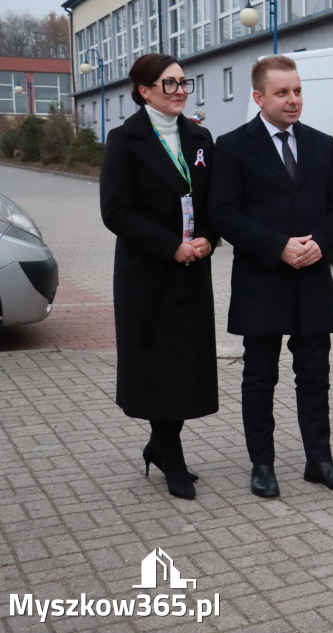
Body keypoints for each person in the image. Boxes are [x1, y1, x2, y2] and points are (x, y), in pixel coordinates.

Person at [209, 55, 333, 498]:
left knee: (315, 374)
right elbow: (223, 214)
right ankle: (262, 465)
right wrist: (278, 246)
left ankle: (320, 461)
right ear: (259, 97)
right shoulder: (232, 146)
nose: (293, 100)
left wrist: (320, 243)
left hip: (312, 279)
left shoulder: (320, 143)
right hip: (262, 281)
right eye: (282, 93)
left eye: (297, 91)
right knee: (260, 377)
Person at [99, 53, 218, 501]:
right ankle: (170, 453)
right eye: (169, 84)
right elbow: (116, 212)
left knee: (186, 363)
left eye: (184, 82)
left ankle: (160, 444)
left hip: (192, 267)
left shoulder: (200, 137)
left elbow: (213, 201)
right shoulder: (125, 140)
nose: (180, 90)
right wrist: (172, 246)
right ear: (144, 90)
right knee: (157, 364)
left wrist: (207, 236)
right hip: (147, 272)